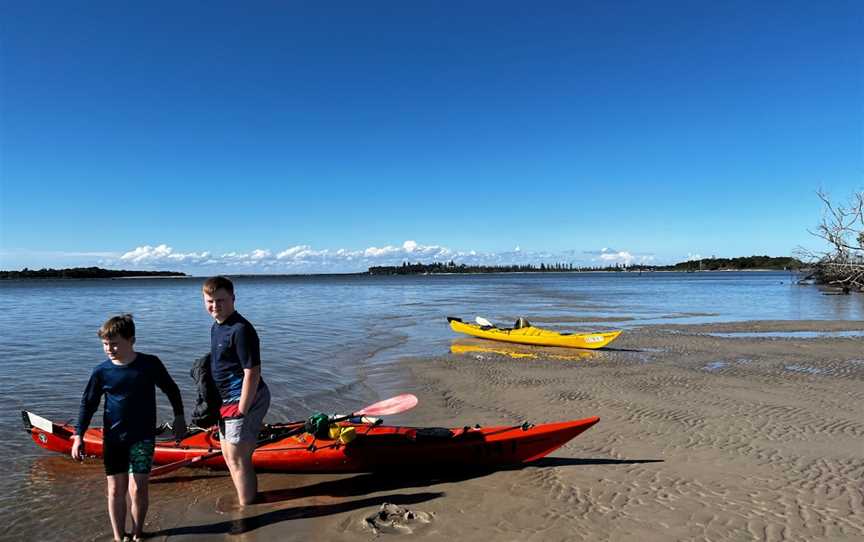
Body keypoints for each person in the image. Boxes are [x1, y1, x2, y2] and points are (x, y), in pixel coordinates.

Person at [72, 314, 186, 542]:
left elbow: (171, 389)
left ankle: (137, 533)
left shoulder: (149, 364)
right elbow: (88, 404)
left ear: (131, 340)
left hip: (142, 438)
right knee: (115, 490)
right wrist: (78, 436)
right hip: (114, 439)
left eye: (114, 343)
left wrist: (179, 417)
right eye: (105, 344)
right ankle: (118, 536)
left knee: (139, 488)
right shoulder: (101, 372)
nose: (109, 349)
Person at [202, 276, 270, 506]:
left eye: (221, 300)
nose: (215, 306)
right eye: (210, 301)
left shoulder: (241, 330)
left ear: (233, 299)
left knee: (238, 458)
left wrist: (242, 410)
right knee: (230, 456)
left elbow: (253, 372)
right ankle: (247, 499)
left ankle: (247, 507)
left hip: (245, 398)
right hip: (227, 401)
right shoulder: (217, 327)